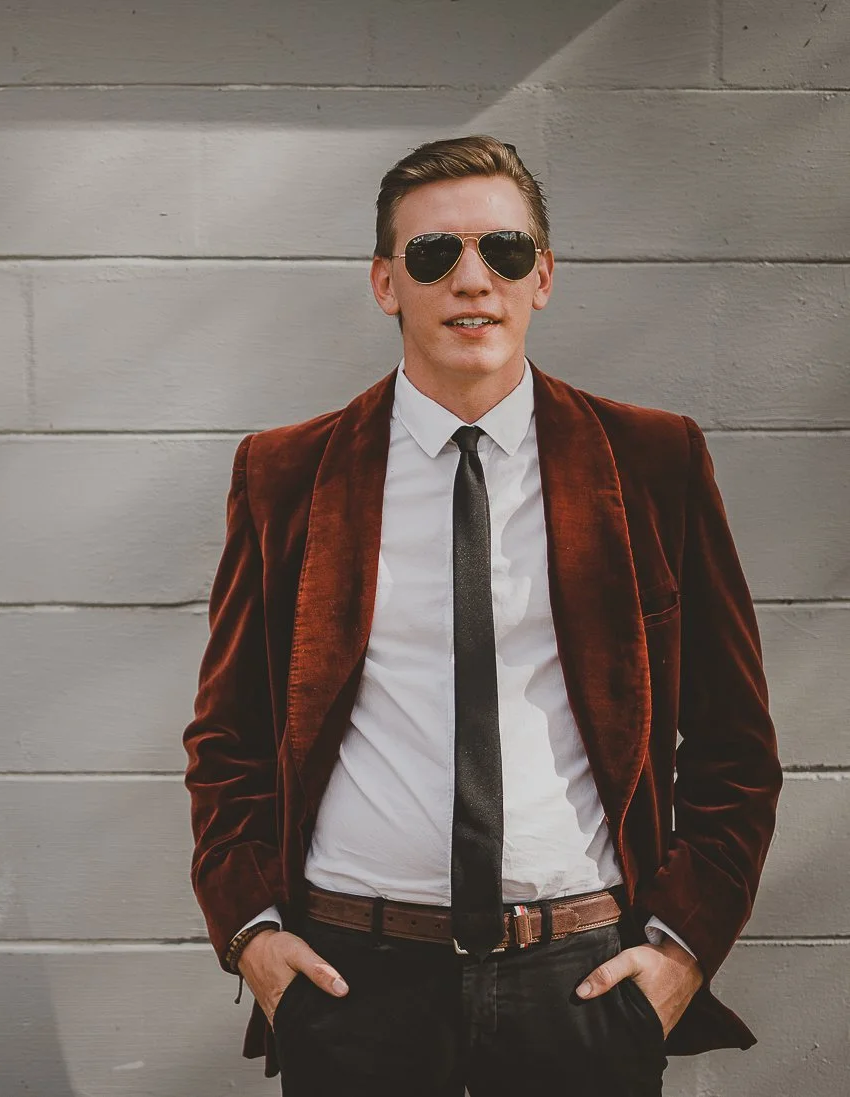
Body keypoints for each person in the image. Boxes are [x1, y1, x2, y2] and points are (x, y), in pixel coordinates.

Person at [181, 135, 782, 1095]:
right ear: (386, 283)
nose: (472, 280)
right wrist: (252, 934)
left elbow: (735, 745)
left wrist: (681, 949)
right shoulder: (286, 474)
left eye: (503, 250)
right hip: (350, 982)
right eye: (433, 254)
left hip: (583, 981)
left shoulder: (652, 462)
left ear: (542, 276)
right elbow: (228, 739)